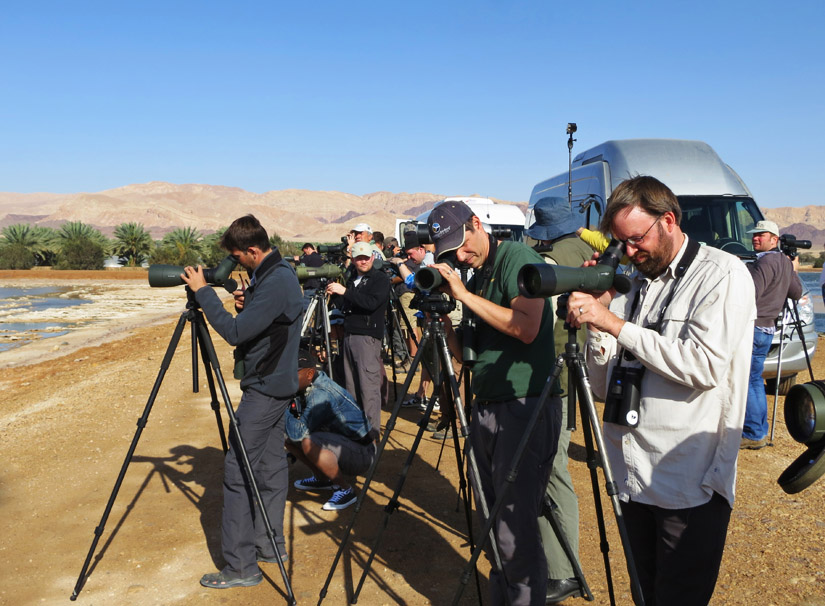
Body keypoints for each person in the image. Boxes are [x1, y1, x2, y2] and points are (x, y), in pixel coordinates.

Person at [566, 176, 756, 606]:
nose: (630, 253)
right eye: (621, 244)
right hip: (630, 476)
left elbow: (703, 365)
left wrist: (616, 323)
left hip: (687, 483)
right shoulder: (635, 283)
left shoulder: (721, 274)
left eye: (636, 240)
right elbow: (600, 386)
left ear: (668, 220)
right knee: (645, 596)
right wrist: (599, 320)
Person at [426, 201, 561, 606]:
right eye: (452, 254)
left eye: (463, 246)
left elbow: (525, 327)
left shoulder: (518, 259)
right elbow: (476, 346)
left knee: (514, 522)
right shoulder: (481, 271)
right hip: (487, 402)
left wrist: (463, 294)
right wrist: (445, 329)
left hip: (523, 403)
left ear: (476, 223)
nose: (460, 257)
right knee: (492, 516)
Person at [180, 214, 303, 590]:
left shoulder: (277, 279)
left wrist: (203, 293)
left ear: (252, 249)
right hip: (276, 382)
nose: (235, 263)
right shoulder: (274, 273)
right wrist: (245, 304)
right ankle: (270, 545)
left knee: (237, 472)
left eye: (237, 257)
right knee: (269, 467)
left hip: (266, 388)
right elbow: (264, 324)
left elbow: (235, 334)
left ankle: (239, 567)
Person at [526, 197, 592, 604]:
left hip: (554, 371)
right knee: (555, 463)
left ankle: (564, 570)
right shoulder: (586, 252)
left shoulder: (553, 259)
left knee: (553, 468)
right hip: (571, 367)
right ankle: (558, 559)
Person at [741, 220, 802, 449]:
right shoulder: (783, 263)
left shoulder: (764, 263)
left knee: (748, 380)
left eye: (761, 235)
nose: (755, 238)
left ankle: (754, 433)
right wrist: (792, 270)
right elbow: (796, 293)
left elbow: (751, 295)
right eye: (754, 235)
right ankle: (758, 430)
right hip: (768, 329)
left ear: (774, 240)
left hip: (754, 327)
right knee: (755, 380)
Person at [286, 362, 377, 512]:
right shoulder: (310, 384)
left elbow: (298, 434)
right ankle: (322, 478)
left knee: (307, 441)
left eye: (293, 374)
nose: (288, 379)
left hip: (363, 453)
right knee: (290, 440)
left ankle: (344, 490)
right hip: (346, 444)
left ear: (309, 374)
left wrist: (283, 405)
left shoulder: (321, 394)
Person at [326, 241, 391, 434]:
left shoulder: (379, 279)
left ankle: (371, 434)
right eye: (359, 258)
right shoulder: (352, 278)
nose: (363, 262)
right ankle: (355, 430)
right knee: (351, 386)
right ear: (353, 260)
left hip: (367, 337)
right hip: (349, 335)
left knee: (368, 387)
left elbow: (371, 303)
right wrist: (335, 294)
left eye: (366, 257)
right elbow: (346, 305)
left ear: (372, 257)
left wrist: (345, 291)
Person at [296, 242, 325, 311]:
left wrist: (297, 261)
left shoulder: (308, 258)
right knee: (319, 309)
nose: (305, 254)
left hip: (309, 286)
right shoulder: (321, 257)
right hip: (320, 286)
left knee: (306, 309)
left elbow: (300, 269)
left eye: (305, 252)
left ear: (308, 248)